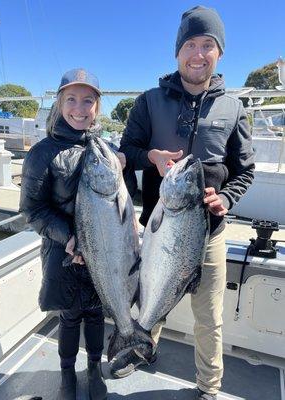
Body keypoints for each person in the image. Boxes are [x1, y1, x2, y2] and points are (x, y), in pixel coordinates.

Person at [112, 6, 255, 400]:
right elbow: (128, 151)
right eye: (190, 44)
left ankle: (209, 387)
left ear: (219, 52)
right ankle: (139, 349)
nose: (198, 53)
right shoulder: (148, 101)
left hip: (209, 236)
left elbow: (245, 171)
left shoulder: (234, 107)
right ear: (177, 52)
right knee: (149, 297)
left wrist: (225, 197)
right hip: (158, 229)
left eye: (207, 44)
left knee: (209, 318)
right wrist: (151, 158)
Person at [19, 68, 111, 400]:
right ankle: (67, 375)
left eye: (88, 100)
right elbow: (33, 209)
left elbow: (121, 200)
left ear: (97, 107)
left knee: (97, 313)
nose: (79, 108)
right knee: (70, 316)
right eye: (71, 99)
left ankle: (94, 370)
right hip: (63, 253)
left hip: (102, 255)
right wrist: (69, 236)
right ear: (59, 103)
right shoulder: (42, 153)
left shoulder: (106, 149)